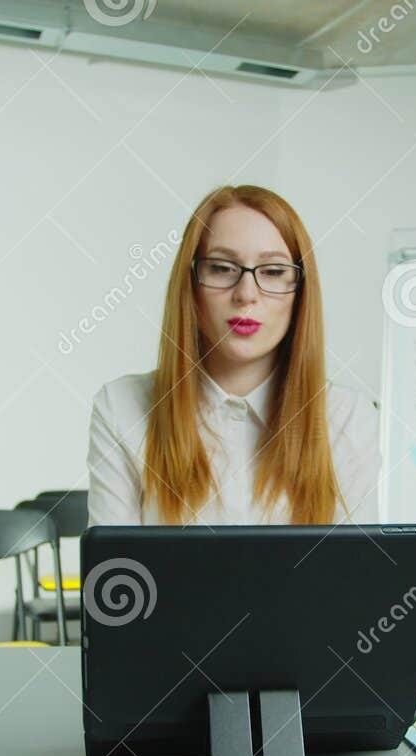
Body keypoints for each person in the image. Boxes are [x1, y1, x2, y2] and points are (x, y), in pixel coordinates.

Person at [87, 184, 379, 526]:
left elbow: (355, 574)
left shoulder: (347, 417)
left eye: (273, 271)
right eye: (222, 268)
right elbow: (117, 574)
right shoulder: (122, 407)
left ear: (300, 293)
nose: (246, 294)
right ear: (191, 286)